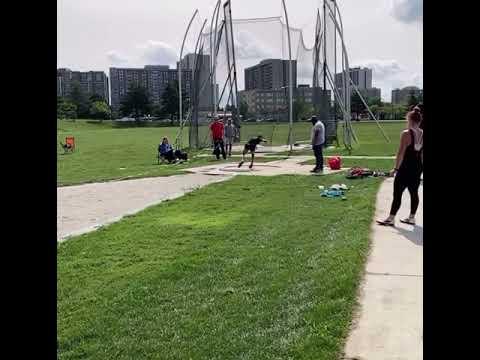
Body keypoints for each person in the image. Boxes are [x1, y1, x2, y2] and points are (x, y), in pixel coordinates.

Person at [377, 109, 423, 226]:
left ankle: (391, 218)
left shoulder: (406, 133)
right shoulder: (423, 133)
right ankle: (411, 218)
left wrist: (396, 169)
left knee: (397, 194)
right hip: (417, 168)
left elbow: (401, 153)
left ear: (410, 120)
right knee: (414, 193)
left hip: (405, 168)